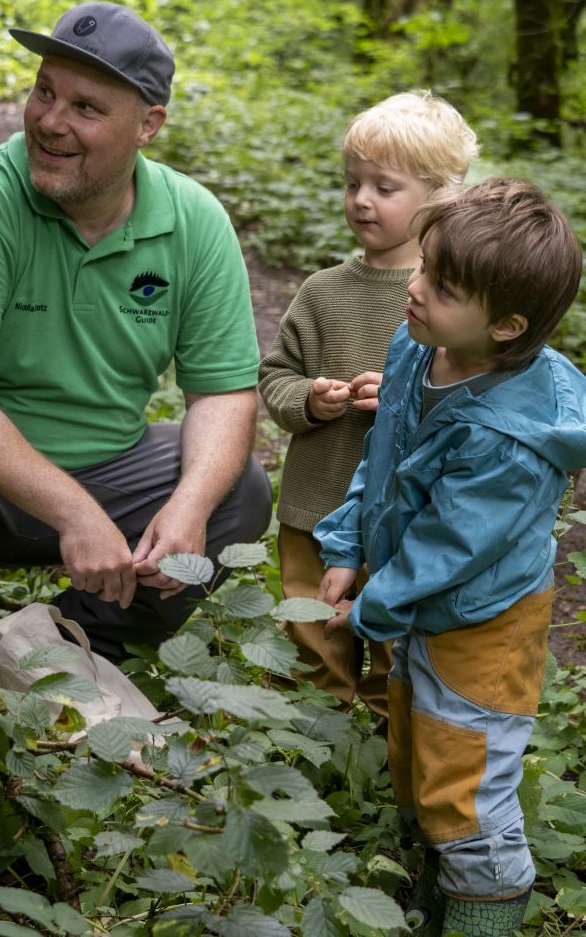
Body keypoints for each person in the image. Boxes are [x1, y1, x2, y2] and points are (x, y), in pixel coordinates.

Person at [0, 1, 272, 661]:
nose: (49, 121)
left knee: (236, 491)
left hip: (106, 468)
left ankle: (83, 654)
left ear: (148, 125)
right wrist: (75, 512)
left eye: (85, 108)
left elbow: (223, 394)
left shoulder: (195, 221)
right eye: (45, 91)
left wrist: (187, 506)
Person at [314, 178, 586, 936]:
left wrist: (368, 608)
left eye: (444, 285)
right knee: (416, 737)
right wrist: (347, 541)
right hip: (420, 599)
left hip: (480, 620)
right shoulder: (419, 345)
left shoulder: (505, 442)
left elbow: (452, 548)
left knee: (464, 776)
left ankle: (484, 904)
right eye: (425, 263)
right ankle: (436, 884)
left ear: (506, 326)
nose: (415, 285)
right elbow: (385, 450)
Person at [258, 92, 477, 718]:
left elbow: (472, 397)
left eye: (385, 187)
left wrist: (406, 400)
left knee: (395, 652)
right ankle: (312, 744)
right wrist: (308, 399)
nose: (361, 200)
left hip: (402, 516)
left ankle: (387, 754)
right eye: (353, 183)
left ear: (438, 196)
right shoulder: (323, 292)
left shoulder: (450, 301)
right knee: (311, 641)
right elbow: (275, 375)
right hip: (315, 503)